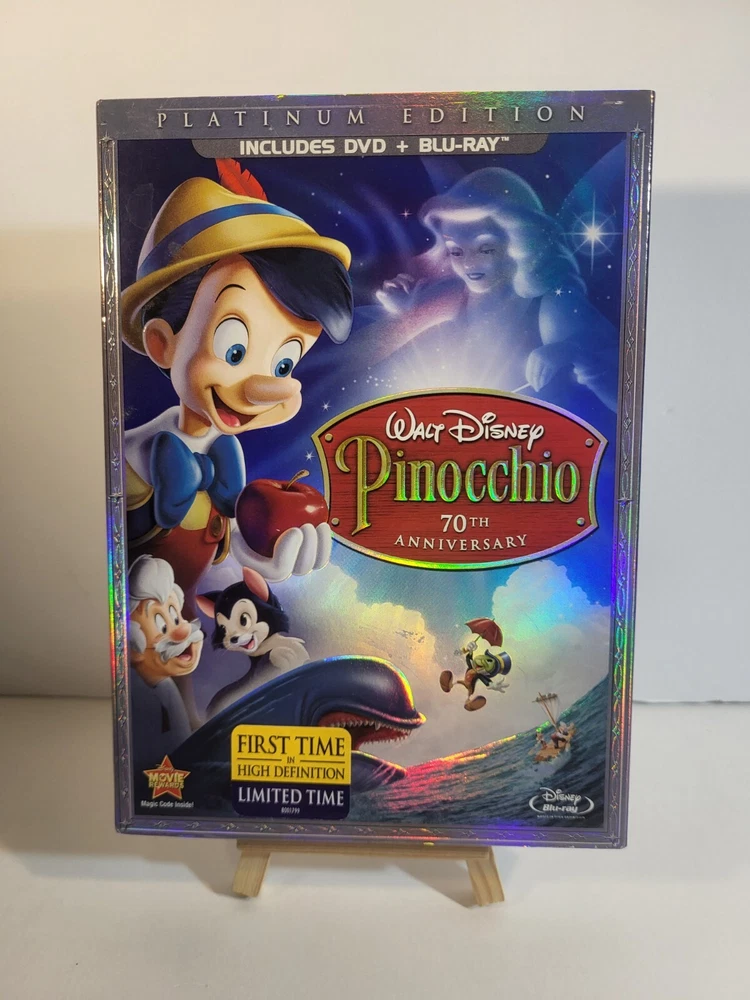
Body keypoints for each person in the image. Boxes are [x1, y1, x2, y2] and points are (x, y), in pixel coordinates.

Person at [121, 159, 354, 618]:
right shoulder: (124, 462)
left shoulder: (223, 456)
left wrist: (257, 553)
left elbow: (213, 566)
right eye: (234, 349)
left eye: (284, 362)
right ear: (162, 343)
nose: (264, 385)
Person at [374, 167, 618, 410]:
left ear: (521, 241)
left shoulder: (550, 304)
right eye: (456, 251)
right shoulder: (459, 294)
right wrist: (401, 306)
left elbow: (617, 395)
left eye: (485, 249)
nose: (468, 264)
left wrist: (573, 354)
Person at [128, 555, 204, 768]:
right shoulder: (138, 695)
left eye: (176, 618)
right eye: (162, 626)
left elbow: (181, 742)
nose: (183, 630)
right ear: (133, 647)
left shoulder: (165, 686)